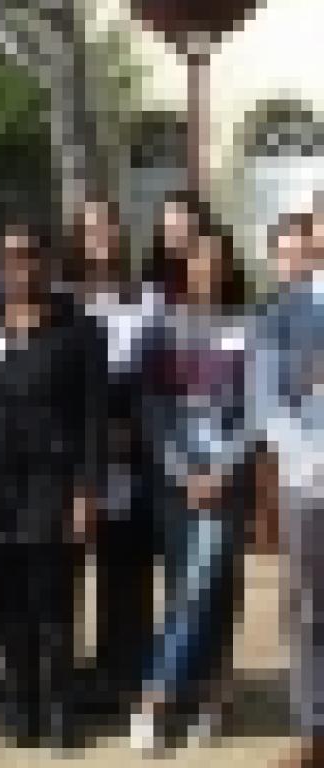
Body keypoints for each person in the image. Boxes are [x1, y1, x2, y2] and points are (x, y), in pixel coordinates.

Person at [0, 219, 107, 746]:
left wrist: (86, 490)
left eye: (30, 255)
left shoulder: (78, 329)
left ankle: (61, 707)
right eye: (10, 258)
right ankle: (22, 704)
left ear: (47, 262)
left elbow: (93, 419)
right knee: (7, 603)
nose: (21, 268)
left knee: (55, 601)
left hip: (54, 484)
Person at [130, 217, 251, 751]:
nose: (208, 266)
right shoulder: (162, 326)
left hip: (227, 477)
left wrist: (222, 470)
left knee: (207, 584)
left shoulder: (250, 326)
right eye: (199, 256)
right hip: (176, 479)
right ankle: (206, 695)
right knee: (193, 584)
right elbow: (151, 407)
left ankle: (159, 702)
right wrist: (183, 471)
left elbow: (256, 409)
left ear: (228, 265)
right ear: (185, 263)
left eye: (217, 257)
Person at [71, 199, 159, 718]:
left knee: (124, 565)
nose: (99, 235)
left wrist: (129, 428)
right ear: (77, 237)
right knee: (72, 561)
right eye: (89, 228)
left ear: (120, 234)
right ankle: (70, 673)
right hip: (79, 444)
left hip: (131, 445)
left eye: (107, 225)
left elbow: (152, 369)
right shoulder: (63, 297)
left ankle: (122, 670)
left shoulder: (145, 298)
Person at [252, 212, 324, 768]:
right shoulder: (274, 318)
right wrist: (306, 459)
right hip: (305, 483)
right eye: (285, 252)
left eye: (303, 248)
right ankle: (313, 729)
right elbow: (267, 405)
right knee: (304, 609)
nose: (294, 259)